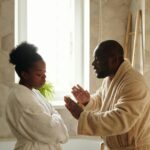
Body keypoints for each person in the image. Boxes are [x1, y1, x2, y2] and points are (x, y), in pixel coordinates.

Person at [64, 40, 150, 150]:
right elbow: (102, 101)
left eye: (97, 60)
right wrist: (87, 101)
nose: (93, 64)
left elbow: (119, 120)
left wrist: (82, 116)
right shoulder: (111, 78)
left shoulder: (133, 83)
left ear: (114, 60)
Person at [6, 42, 69, 150]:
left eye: (45, 73)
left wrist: (53, 116)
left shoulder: (34, 93)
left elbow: (53, 115)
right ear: (24, 74)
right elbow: (53, 131)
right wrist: (55, 117)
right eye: (39, 74)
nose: (44, 78)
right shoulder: (21, 98)